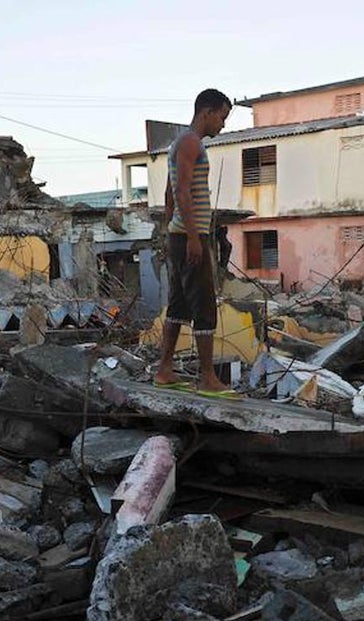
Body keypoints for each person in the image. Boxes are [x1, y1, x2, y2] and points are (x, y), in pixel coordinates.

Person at [153, 88, 232, 394]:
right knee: (204, 305)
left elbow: (170, 193)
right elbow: (182, 191)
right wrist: (193, 238)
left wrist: (172, 229)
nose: (222, 125)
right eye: (221, 117)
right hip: (190, 235)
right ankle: (208, 378)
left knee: (179, 305)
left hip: (180, 234)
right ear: (207, 112)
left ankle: (164, 369)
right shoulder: (189, 142)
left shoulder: (184, 143)